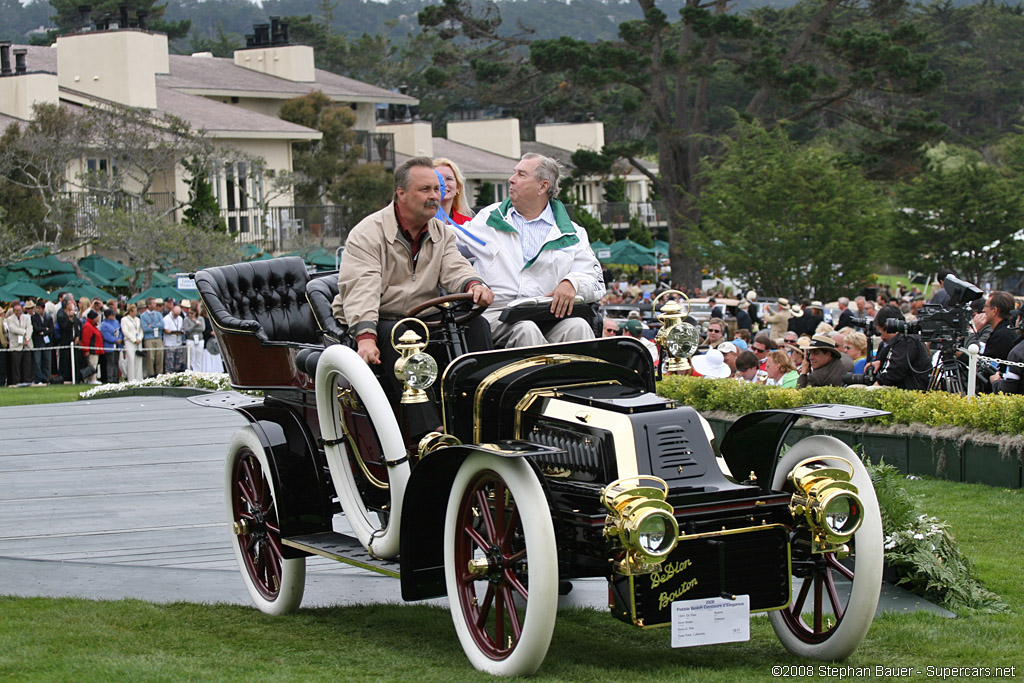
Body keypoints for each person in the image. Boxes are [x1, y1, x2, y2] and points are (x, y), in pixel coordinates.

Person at [331, 155, 494, 375]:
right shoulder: (367, 234)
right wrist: (366, 337)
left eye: (437, 189)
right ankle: (415, 408)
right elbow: (362, 289)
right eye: (425, 189)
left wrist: (474, 286)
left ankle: (475, 401)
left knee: (476, 327)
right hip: (381, 317)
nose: (434, 196)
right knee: (400, 338)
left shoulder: (441, 232)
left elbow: (455, 267)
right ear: (401, 194)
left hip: (422, 317)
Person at [454, 153, 604, 348]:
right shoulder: (489, 218)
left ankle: (584, 379)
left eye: (521, 174)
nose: (511, 179)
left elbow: (596, 281)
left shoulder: (573, 233)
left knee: (579, 327)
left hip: (548, 314)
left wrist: (572, 283)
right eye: (514, 173)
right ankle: (547, 378)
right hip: (496, 314)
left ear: (543, 186)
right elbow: (450, 243)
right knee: (526, 329)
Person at [871, 307, 929, 391]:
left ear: (888, 326)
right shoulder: (899, 341)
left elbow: (894, 373)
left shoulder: (908, 341)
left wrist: (876, 385)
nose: (881, 337)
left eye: (881, 332)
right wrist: (880, 362)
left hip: (911, 391)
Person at [433, 157, 474, 225]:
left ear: (458, 187)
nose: (444, 184)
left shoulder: (468, 224)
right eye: (438, 178)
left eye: (449, 179)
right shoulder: (418, 223)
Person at [6, 301, 34, 386]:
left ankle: (27, 381)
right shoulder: (10, 319)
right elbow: (12, 329)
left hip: (27, 344)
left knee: (27, 364)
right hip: (16, 346)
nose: (18, 312)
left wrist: (27, 338)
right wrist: (24, 331)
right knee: (16, 366)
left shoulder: (26, 317)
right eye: (16, 310)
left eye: (20, 310)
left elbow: (30, 328)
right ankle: (16, 382)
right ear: (14, 311)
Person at [29, 300, 54, 386]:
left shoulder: (48, 317)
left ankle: (46, 378)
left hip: (47, 343)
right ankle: (38, 379)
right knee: (37, 361)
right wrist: (45, 329)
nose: (38, 310)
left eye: (39, 308)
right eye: (37, 308)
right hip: (38, 343)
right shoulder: (33, 317)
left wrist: (44, 331)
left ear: (43, 309)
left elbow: (51, 329)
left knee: (47, 360)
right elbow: (36, 328)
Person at [56, 297, 80, 383]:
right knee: (65, 360)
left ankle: (75, 377)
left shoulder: (74, 314)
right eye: (70, 303)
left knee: (74, 359)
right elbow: (65, 327)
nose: (73, 305)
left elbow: (77, 324)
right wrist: (70, 318)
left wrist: (77, 335)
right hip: (65, 341)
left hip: (74, 340)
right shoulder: (61, 314)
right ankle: (65, 377)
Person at [141, 297, 165, 377]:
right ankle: (151, 375)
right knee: (150, 358)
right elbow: (145, 328)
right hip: (149, 339)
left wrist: (151, 325)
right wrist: (156, 325)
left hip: (158, 338)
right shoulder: (143, 316)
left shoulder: (158, 314)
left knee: (159, 357)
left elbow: (162, 325)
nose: (155, 305)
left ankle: (159, 374)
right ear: (149, 305)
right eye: (154, 303)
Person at [120, 303, 144, 382]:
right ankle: (131, 379)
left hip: (138, 342)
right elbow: (125, 331)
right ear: (130, 311)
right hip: (129, 342)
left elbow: (140, 330)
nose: (135, 313)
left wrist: (139, 338)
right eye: (134, 311)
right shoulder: (124, 319)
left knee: (138, 359)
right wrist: (134, 339)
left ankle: (138, 378)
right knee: (131, 359)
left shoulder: (137, 319)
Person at [99, 307, 123, 383]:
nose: (113, 316)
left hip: (117, 346)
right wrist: (115, 340)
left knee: (116, 362)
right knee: (110, 363)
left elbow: (120, 331)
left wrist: (120, 339)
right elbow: (106, 336)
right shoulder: (104, 325)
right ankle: (110, 378)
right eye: (112, 315)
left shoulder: (116, 322)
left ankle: (116, 378)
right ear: (108, 316)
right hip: (109, 346)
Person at [80, 309, 104, 384]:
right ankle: (92, 379)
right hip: (92, 349)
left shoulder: (92, 326)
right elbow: (86, 339)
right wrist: (86, 350)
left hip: (96, 349)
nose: (98, 319)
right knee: (92, 364)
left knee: (94, 364)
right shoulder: (88, 326)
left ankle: (93, 378)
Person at [181, 299, 206, 371]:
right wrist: (195, 324)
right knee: (191, 358)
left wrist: (196, 324)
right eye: (189, 313)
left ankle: (199, 372)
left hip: (200, 339)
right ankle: (192, 372)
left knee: (199, 358)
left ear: (195, 313)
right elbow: (187, 330)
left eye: (192, 313)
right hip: (191, 340)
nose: (190, 315)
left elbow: (202, 328)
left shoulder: (201, 318)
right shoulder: (186, 319)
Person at [163, 304, 186, 373]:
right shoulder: (166, 318)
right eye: (175, 314)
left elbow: (182, 328)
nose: (176, 316)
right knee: (170, 363)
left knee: (179, 362)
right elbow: (166, 330)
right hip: (169, 344)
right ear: (172, 311)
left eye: (178, 315)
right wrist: (174, 333)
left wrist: (181, 331)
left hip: (178, 343)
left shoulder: (180, 318)